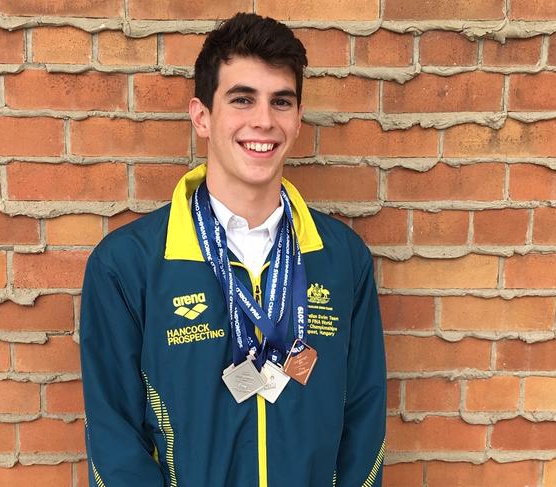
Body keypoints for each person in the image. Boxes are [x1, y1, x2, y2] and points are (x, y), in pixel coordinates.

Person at [80, 12, 386, 487]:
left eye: (280, 102)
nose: (263, 121)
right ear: (202, 116)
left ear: (299, 120)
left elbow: (365, 414)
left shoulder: (343, 258)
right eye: (242, 99)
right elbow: (113, 432)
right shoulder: (128, 265)